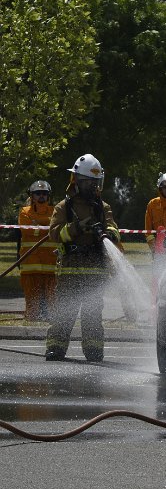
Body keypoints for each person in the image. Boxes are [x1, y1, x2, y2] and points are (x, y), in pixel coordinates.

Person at [45, 154, 121, 362]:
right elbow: (54, 234)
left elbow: (114, 227)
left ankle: (94, 351)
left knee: (93, 314)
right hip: (69, 269)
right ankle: (56, 349)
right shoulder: (64, 207)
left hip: (95, 270)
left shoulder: (102, 207)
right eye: (89, 182)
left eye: (96, 183)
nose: (93, 187)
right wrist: (75, 228)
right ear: (77, 180)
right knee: (64, 312)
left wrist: (109, 234)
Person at [17, 181, 58, 321]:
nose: (41, 196)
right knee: (31, 295)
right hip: (30, 263)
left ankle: (51, 318)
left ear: (48, 196)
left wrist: (37, 225)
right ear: (32, 196)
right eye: (38, 193)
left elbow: (55, 229)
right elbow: (26, 230)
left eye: (44, 193)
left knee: (52, 296)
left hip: (51, 264)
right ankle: (32, 318)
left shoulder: (56, 211)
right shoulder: (24, 212)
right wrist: (46, 226)